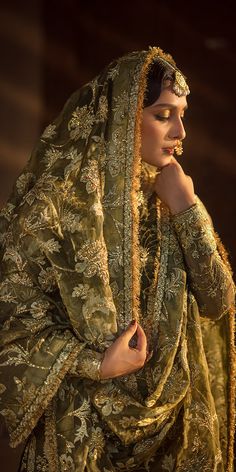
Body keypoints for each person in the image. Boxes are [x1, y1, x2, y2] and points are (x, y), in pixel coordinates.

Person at [0, 46, 235, 472]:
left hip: (174, 437)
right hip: (80, 435)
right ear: (122, 116)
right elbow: (12, 323)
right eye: (163, 115)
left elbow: (218, 302)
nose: (180, 132)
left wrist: (188, 208)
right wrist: (96, 363)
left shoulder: (173, 201)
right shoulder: (56, 208)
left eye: (182, 115)